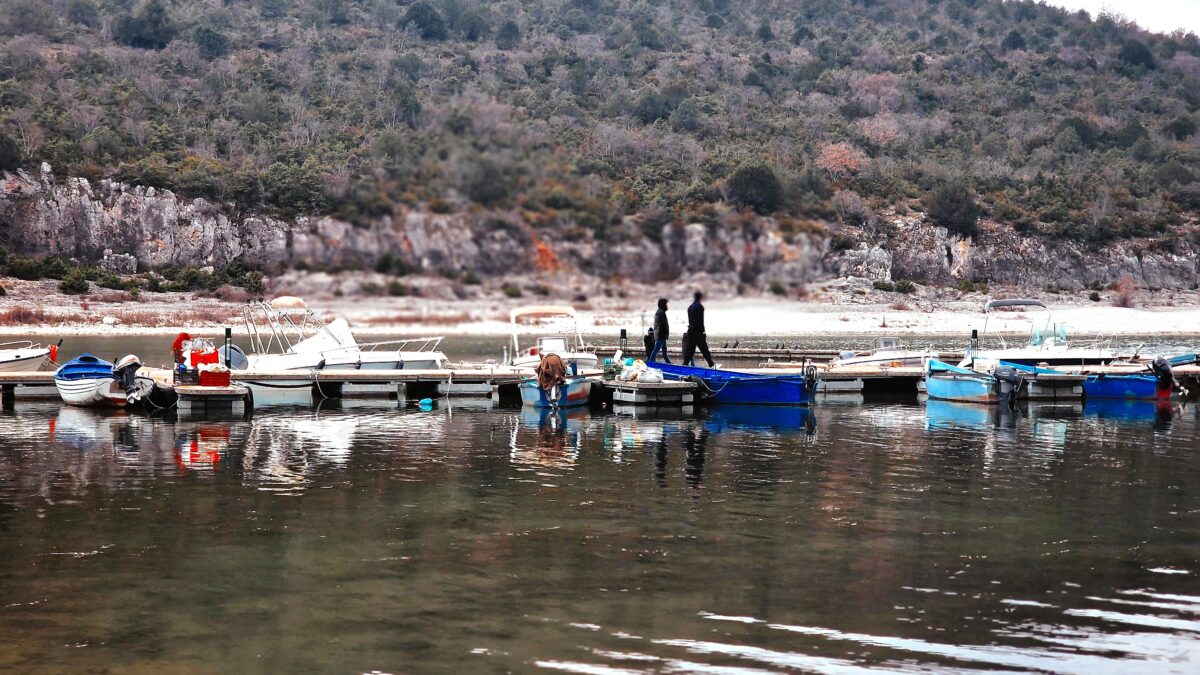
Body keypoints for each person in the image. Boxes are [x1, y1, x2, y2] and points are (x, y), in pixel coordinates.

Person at [683, 291, 715, 368]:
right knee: (704, 349)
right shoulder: (700, 307)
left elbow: (690, 320)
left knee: (690, 350)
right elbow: (700, 321)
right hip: (698, 332)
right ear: (700, 297)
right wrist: (703, 331)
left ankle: (684, 365)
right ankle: (711, 364)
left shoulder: (690, 307)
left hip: (690, 331)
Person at [648, 298, 671, 363]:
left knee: (664, 350)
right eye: (666, 304)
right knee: (656, 350)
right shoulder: (661, 313)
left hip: (660, 334)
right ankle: (651, 363)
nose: (666, 306)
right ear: (663, 305)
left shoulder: (659, 312)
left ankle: (668, 362)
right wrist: (664, 334)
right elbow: (662, 325)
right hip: (661, 335)